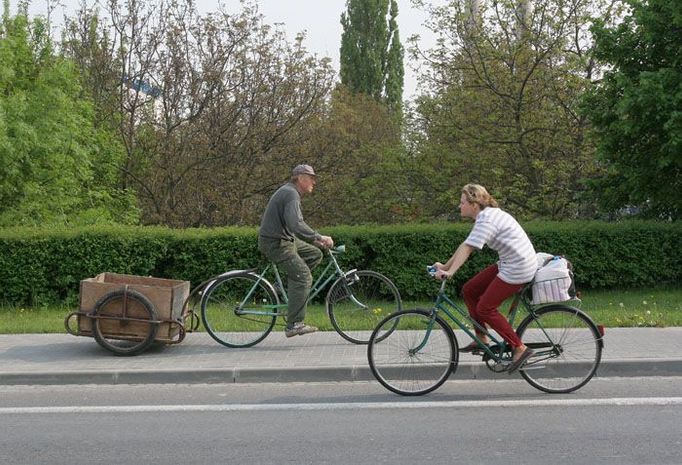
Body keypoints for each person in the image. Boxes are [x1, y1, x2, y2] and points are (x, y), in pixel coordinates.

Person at [433, 184, 537, 374]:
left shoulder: (487, 219)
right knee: (470, 290)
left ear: (474, 204)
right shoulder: (485, 216)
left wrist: (450, 273)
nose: (459, 206)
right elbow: (466, 244)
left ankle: (519, 348)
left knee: (485, 308)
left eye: (462, 202)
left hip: (519, 267)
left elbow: (469, 248)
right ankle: (482, 338)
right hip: (510, 262)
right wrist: (445, 267)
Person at [258, 164, 334, 338]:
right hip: (276, 243)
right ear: (300, 178)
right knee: (304, 276)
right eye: (311, 177)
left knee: (315, 254)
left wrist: (315, 241)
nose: (314, 181)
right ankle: (294, 324)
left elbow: (294, 227)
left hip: (285, 240)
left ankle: (283, 286)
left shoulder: (291, 192)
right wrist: (320, 237)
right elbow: (296, 224)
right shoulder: (291, 194)